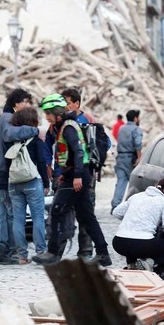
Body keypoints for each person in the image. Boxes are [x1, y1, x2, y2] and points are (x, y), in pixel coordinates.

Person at [33, 94, 112, 266]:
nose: (46, 117)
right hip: (73, 174)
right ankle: (103, 254)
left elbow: (79, 152)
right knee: (87, 217)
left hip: (77, 176)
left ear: (57, 113)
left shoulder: (68, 127)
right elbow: (69, 154)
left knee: (57, 211)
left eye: (48, 113)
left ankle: (53, 252)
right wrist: (66, 173)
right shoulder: (64, 126)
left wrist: (75, 176)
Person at [0, 88, 38, 266]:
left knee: (2, 210)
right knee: (9, 213)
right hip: (3, 172)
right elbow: (10, 134)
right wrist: (34, 130)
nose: (27, 105)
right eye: (25, 101)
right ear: (16, 103)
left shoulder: (4, 117)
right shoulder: (8, 118)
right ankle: (7, 251)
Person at [60, 87, 110, 260]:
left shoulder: (88, 120)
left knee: (85, 213)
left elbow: (105, 142)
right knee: (63, 212)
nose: (64, 107)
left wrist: (92, 161)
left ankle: (86, 250)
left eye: (67, 103)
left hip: (84, 175)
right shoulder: (61, 121)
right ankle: (57, 251)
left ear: (76, 103)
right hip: (66, 174)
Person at [112, 178, 164, 279]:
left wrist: (131, 218)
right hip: (142, 244)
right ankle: (149, 263)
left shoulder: (137, 196)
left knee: (132, 239)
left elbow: (116, 212)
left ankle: (132, 265)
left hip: (119, 243)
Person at [9, 108, 50, 263]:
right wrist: (46, 183)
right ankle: (40, 251)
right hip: (32, 181)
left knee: (18, 219)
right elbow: (41, 162)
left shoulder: (11, 140)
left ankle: (22, 256)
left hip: (14, 183)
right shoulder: (36, 140)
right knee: (38, 217)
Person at [111, 109, 143, 210]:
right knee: (134, 183)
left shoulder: (121, 128)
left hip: (120, 157)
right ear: (135, 118)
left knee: (121, 182)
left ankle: (115, 205)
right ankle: (132, 206)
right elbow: (138, 144)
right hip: (131, 159)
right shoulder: (136, 129)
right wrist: (139, 158)